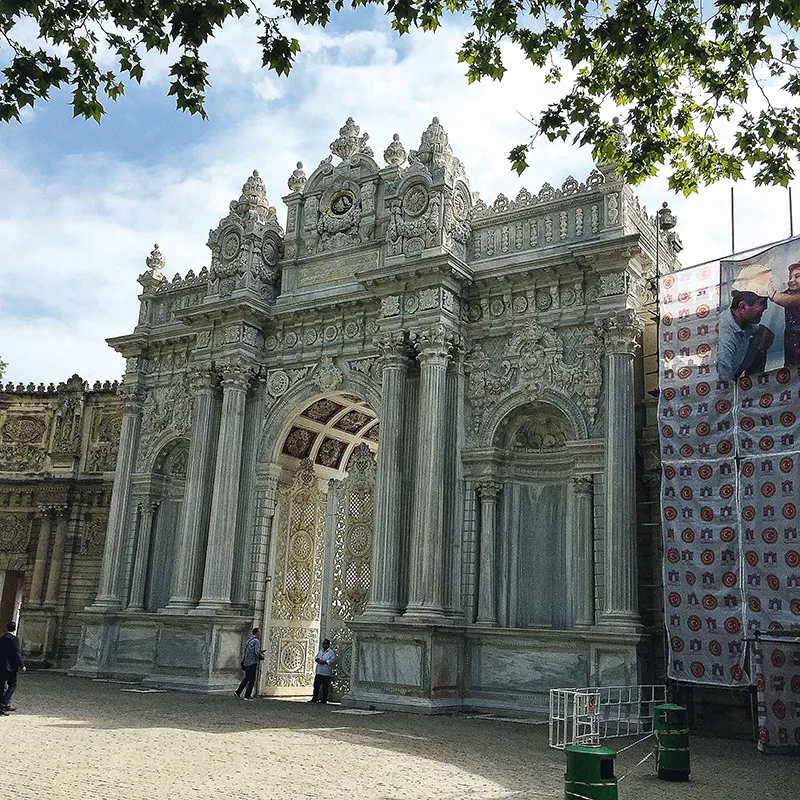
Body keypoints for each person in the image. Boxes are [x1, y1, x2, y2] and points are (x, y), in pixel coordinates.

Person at [717, 290, 774, 380]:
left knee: (763, 334)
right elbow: (723, 379)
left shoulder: (743, 322)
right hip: (723, 380)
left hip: (734, 370)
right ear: (743, 307)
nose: (765, 308)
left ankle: (753, 383)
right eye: (762, 303)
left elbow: (762, 331)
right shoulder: (725, 336)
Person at [768, 261, 800, 365]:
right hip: (791, 336)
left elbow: (790, 301)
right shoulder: (790, 293)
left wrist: (773, 294)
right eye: (790, 277)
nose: (791, 281)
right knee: (791, 366)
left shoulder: (792, 298)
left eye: (797, 276)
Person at [0, 621, 25, 715]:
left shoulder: (2, 638)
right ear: (14, 629)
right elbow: (17, 653)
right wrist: (22, 665)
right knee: (12, 685)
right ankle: (4, 703)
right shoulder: (14, 639)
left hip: (1, 666)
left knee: (1, 687)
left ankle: (2, 706)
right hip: (10, 667)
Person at [234, 627, 264, 701]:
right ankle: (247, 695)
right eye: (259, 632)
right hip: (252, 662)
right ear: (256, 633)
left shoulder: (248, 640)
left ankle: (238, 692)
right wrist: (261, 656)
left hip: (247, 662)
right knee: (252, 679)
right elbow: (256, 652)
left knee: (247, 678)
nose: (260, 634)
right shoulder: (256, 641)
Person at [308, 639, 336, 704]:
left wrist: (324, 662)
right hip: (319, 671)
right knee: (316, 686)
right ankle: (314, 698)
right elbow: (316, 657)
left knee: (325, 687)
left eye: (325, 644)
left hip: (326, 673)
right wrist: (318, 660)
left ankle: (324, 700)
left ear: (328, 644)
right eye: (323, 643)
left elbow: (331, 661)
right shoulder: (321, 651)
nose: (324, 645)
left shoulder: (331, 653)